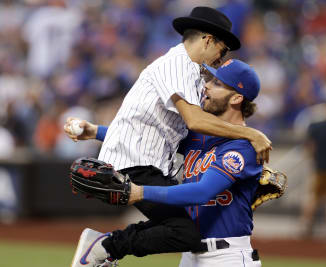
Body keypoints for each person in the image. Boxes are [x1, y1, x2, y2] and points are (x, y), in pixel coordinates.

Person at [65, 6, 271, 266]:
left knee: (182, 231)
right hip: (191, 254)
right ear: (208, 39)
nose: (207, 83)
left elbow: (159, 140)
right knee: (183, 232)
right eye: (222, 48)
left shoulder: (240, 146)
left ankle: (106, 246)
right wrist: (252, 133)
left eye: (216, 83)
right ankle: (106, 247)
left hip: (227, 256)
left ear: (237, 97)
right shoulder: (182, 73)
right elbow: (188, 122)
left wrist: (96, 132)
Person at [299, 100, 326, 239]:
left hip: (319, 167)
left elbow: (309, 147)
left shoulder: (315, 126)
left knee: (313, 197)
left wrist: (313, 160)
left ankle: (305, 225)